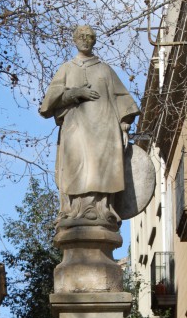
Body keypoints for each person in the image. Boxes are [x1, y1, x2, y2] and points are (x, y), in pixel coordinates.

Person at [39, 24, 140, 226]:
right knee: (77, 168)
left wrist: (124, 120)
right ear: (75, 40)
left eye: (89, 36)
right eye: (81, 36)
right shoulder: (66, 68)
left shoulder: (105, 69)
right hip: (76, 130)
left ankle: (103, 210)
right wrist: (75, 93)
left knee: (101, 169)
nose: (85, 39)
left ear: (94, 40)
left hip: (104, 131)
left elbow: (122, 98)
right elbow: (49, 105)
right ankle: (75, 210)